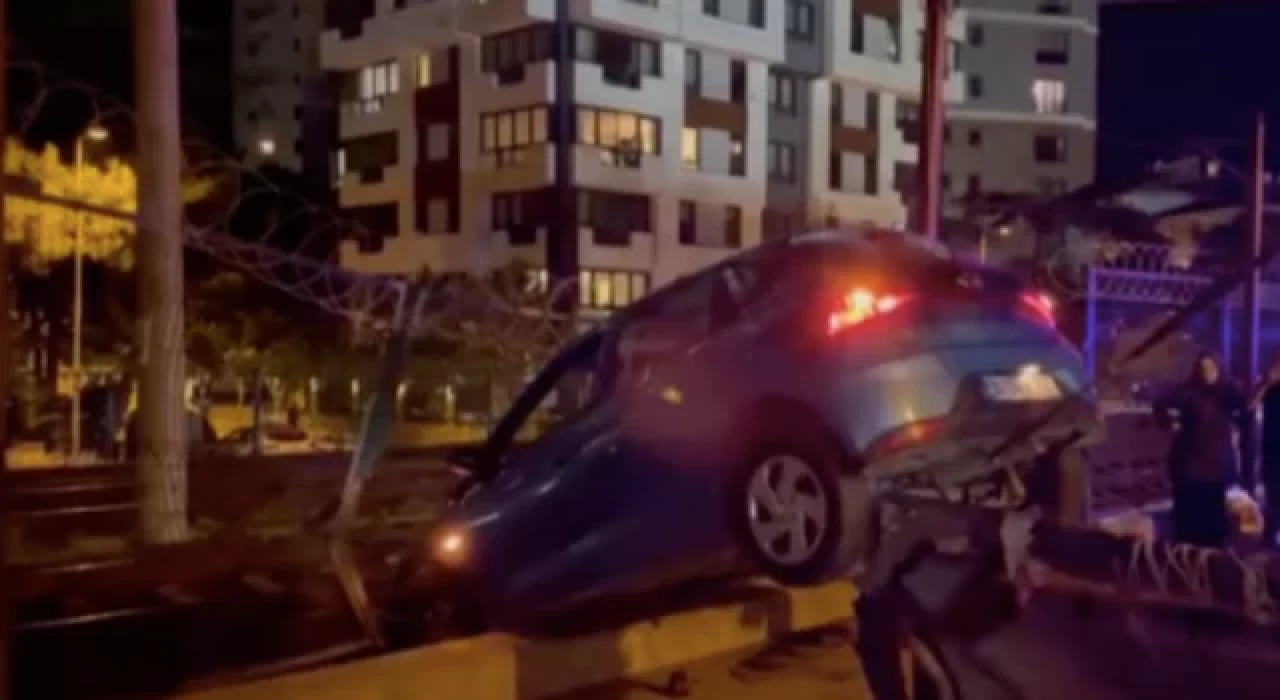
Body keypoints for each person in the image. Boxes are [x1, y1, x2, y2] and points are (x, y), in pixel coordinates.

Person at [1153, 353, 1247, 548]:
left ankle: (1212, 554)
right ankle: (1185, 554)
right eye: (1203, 368)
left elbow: (1245, 408)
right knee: (1188, 510)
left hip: (1216, 462)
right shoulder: (1188, 392)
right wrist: (1168, 422)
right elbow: (1160, 404)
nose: (1207, 373)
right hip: (1190, 459)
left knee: (1213, 511)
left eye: (1211, 368)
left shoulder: (1227, 393)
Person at [1252, 355, 1280, 546]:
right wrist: (1266, 383)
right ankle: (1270, 540)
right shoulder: (1269, 386)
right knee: (1274, 497)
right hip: (1273, 451)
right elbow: (1250, 405)